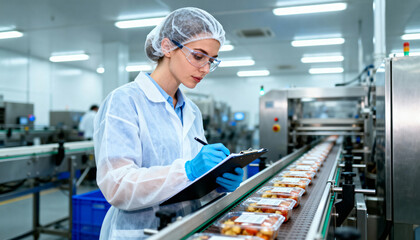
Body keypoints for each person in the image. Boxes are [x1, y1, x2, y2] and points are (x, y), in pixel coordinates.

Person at [94, 7, 244, 239]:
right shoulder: (124, 101)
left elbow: (189, 186)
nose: (205, 68)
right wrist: (189, 170)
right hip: (139, 232)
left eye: (211, 60)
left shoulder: (191, 110)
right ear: (167, 47)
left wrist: (215, 182)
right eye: (198, 56)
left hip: (187, 227)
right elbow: (117, 186)